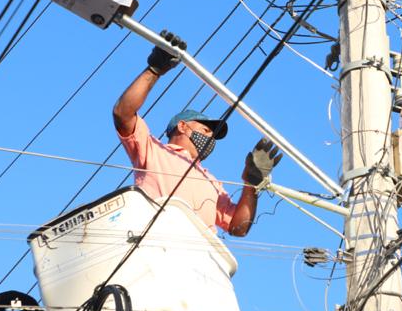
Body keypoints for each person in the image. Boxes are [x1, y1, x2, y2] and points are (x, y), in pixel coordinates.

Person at [113, 30, 282, 237]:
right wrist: (154, 70)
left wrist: (251, 184)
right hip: (152, 241)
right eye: (205, 129)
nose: (210, 137)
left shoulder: (211, 182)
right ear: (183, 126)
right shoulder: (153, 151)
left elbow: (238, 227)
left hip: (194, 260)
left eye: (213, 134)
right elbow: (124, 113)